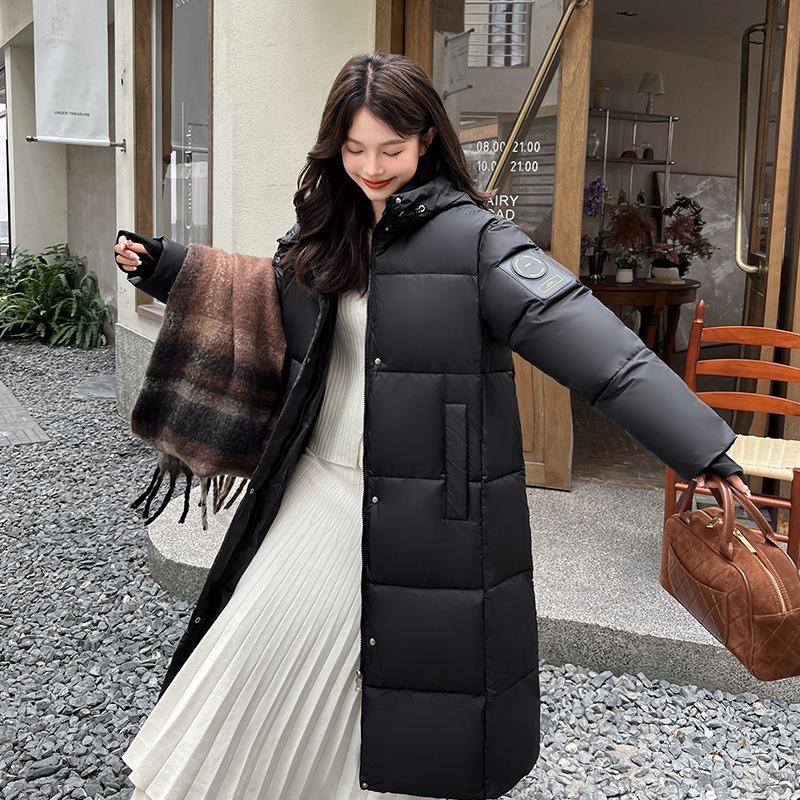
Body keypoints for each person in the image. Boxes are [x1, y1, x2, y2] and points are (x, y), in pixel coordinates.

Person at [114, 52, 749, 800]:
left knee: (379, 666)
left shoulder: (477, 243)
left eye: (390, 148)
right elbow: (263, 295)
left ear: (426, 140)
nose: (371, 167)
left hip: (424, 503)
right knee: (259, 643)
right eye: (354, 149)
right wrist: (167, 268)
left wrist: (701, 447)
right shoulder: (327, 230)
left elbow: (601, 351)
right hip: (313, 483)